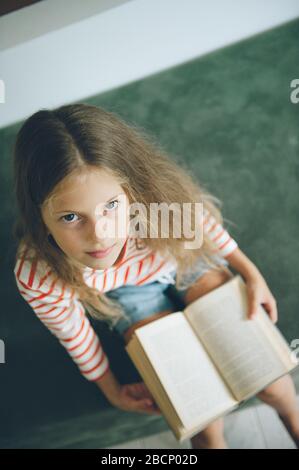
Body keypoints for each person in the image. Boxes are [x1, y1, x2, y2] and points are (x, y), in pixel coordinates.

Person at [12, 103, 299, 449]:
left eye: (111, 206)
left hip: (182, 260)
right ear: (39, 214)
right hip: (127, 295)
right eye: (71, 217)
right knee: (201, 416)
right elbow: (74, 334)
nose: (100, 235)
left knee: (268, 376)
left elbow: (201, 226)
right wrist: (112, 389)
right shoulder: (37, 273)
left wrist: (250, 273)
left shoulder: (155, 198)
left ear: (130, 189)